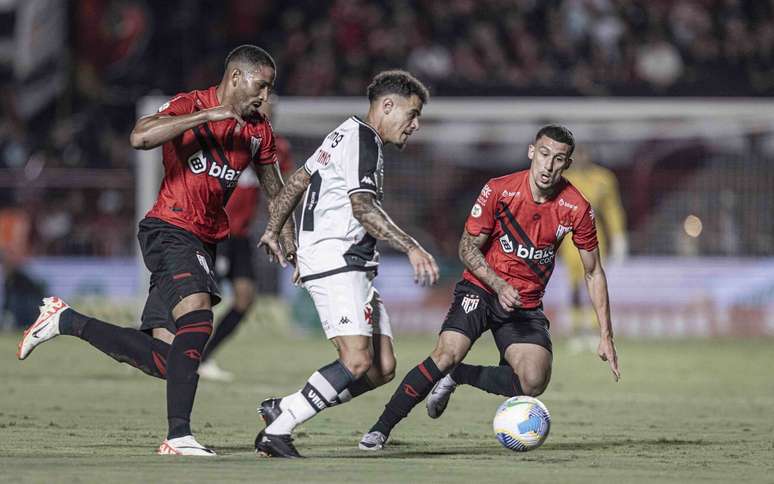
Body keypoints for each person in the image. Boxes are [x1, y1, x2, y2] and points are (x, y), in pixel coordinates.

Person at [16, 45, 296, 456]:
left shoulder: (258, 131)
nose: (265, 98)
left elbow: (274, 185)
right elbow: (140, 136)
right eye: (262, 86)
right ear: (236, 77)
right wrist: (206, 116)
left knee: (170, 360)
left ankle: (65, 320)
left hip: (204, 237)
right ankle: (179, 436)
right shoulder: (191, 105)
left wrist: (281, 231)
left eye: (270, 90)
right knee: (199, 318)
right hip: (170, 228)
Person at [358, 125, 621, 451]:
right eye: (543, 155)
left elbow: (593, 272)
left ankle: (458, 376)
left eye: (558, 159)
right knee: (446, 352)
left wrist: (606, 335)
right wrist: (498, 284)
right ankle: (380, 430)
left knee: (533, 381)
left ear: (567, 164)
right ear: (531, 152)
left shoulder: (576, 207)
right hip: (481, 288)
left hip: (524, 304)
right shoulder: (499, 190)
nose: (548, 166)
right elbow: (467, 248)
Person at [256, 69, 440, 458]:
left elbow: (296, 182)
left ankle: (285, 407)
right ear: (387, 106)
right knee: (356, 360)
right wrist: (410, 247)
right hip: (339, 260)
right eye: (412, 114)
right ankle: (278, 431)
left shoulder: (345, 133)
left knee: (381, 367)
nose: (415, 125)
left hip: (345, 261)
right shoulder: (363, 141)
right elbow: (362, 206)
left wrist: (277, 231)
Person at [198, 99, 295, 382]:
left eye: (272, 108)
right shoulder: (228, 139)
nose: (268, 111)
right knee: (199, 298)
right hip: (212, 229)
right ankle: (158, 339)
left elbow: (283, 189)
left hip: (239, 235)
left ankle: (204, 357)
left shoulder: (278, 147)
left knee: (244, 298)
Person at [557, 146, 627, 352]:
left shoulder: (604, 179)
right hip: (569, 238)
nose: (581, 158)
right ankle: (577, 331)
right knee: (574, 286)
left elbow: (612, 209)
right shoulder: (564, 180)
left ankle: (597, 332)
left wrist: (619, 236)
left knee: (595, 282)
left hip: (596, 236)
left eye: (584, 154)